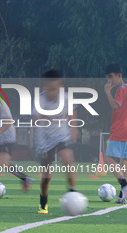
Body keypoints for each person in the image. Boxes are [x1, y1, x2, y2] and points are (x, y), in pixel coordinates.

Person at [33, 70, 79, 214]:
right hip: (44, 141)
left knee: (67, 157)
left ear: (60, 86)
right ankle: (43, 201)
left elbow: (71, 112)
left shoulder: (65, 98)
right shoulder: (39, 101)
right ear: (44, 87)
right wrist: (46, 117)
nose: (53, 92)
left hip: (60, 137)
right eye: (49, 88)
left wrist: (73, 127)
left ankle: (73, 194)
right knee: (47, 176)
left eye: (56, 88)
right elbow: (34, 119)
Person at [0, 84, 33, 198]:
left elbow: (9, 122)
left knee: (4, 164)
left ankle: (26, 179)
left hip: (7, 138)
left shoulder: (2, 105)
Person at [104, 63, 127, 204]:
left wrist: (107, 92)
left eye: (111, 77)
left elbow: (115, 105)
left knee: (109, 159)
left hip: (120, 130)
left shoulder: (121, 89)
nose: (109, 81)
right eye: (107, 78)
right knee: (124, 162)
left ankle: (124, 184)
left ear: (119, 75)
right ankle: (123, 194)